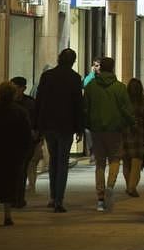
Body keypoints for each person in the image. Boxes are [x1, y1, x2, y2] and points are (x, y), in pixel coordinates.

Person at [34, 47, 84, 212]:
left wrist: (38, 126)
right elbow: (78, 105)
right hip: (66, 126)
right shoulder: (75, 78)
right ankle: (59, 200)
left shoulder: (47, 76)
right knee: (62, 161)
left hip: (49, 125)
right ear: (73, 61)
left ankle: (53, 196)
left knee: (54, 160)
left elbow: (39, 102)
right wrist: (80, 128)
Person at [84, 56, 135, 211]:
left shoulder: (91, 86)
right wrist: (131, 123)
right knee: (114, 159)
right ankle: (110, 186)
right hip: (115, 129)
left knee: (100, 163)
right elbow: (126, 109)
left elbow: (85, 107)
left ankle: (100, 198)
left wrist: (87, 124)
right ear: (112, 68)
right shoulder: (119, 87)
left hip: (97, 129)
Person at [0, 82, 33, 226]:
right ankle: (7, 216)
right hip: (12, 154)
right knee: (8, 185)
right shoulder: (20, 112)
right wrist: (25, 153)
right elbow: (27, 135)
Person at [9, 77, 41, 207]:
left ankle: (18, 198)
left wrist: (37, 135)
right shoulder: (8, 104)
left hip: (26, 142)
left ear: (23, 88)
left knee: (21, 170)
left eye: (15, 87)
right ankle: (13, 197)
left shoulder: (30, 104)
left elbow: (36, 121)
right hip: (11, 141)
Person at [121, 78, 144, 197]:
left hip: (125, 134)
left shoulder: (124, 102)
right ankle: (131, 187)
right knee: (137, 162)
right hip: (139, 135)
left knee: (126, 162)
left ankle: (130, 186)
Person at [82, 58, 101, 161]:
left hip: (100, 110)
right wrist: (91, 73)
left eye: (97, 65)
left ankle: (98, 152)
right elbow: (85, 84)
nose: (96, 67)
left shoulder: (104, 78)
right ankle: (93, 151)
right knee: (88, 131)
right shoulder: (91, 77)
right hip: (91, 111)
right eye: (94, 65)